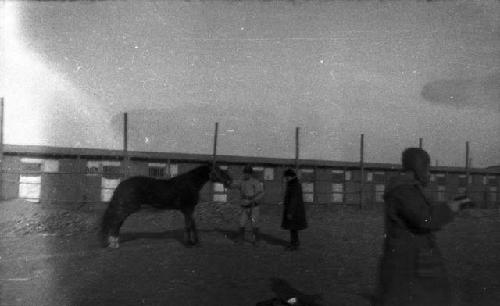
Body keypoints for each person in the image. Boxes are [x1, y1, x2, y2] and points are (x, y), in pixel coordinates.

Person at [375, 148, 472, 306]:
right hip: (405, 265)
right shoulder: (403, 191)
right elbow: (425, 219)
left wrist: (449, 204)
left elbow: (423, 211)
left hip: (412, 262)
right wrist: (451, 208)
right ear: (419, 168)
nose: (429, 174)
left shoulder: (408, 189)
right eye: (427, 168)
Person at [231, 165, 265, 244]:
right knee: (241, 222)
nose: (246, 174)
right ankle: (240, 239)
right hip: (244, 207)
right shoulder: (242, 182)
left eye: (248, 173)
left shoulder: (255, 182)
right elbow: (233, 185)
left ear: (251, 174)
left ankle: (257, 240)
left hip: (253, 207)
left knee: (254, 223)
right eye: (245, 173)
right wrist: (227, 183)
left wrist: (253, 200)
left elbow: (261, 193)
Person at [281, 168, 308, 251]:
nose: (286, 179)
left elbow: (294, 199)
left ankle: (294, 244)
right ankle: (294, 243)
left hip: (294, 211)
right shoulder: (293, 184)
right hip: (294, 210)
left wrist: (290, 212)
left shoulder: (295, 185)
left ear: (291, 176)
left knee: (293, 228)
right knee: (293, 228)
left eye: (287, 177)